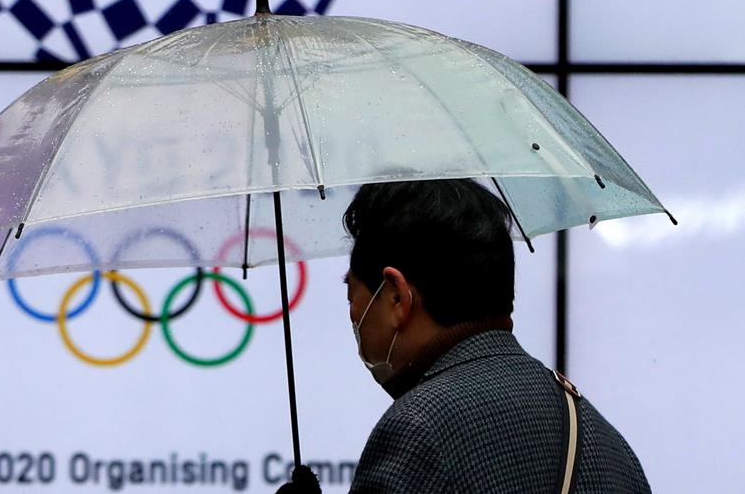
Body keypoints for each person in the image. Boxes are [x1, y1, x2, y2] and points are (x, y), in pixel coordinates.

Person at [279, 178, 651, 493]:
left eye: (352, 296)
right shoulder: (604, 441)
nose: (355, 318)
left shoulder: (419, 430)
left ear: (396, 296)